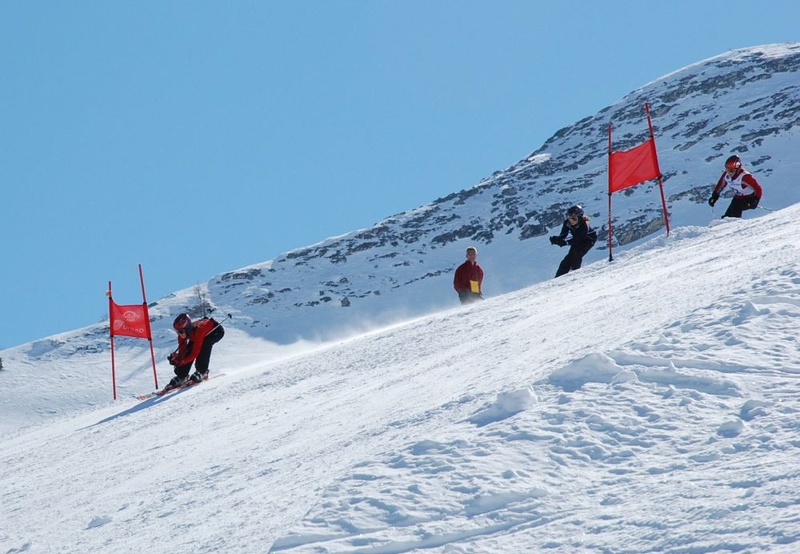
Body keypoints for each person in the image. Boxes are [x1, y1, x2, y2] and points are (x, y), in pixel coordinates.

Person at [166, 313, 225, 389]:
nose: (179, 334)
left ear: (186, 329)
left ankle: (202, 372)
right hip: (196, 335)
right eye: (177, 332)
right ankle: (182, 376)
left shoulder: (199, 331)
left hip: (215, 331)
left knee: (204, 345)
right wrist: (179, 361)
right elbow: (183, 350)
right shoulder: (184, 333)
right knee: (189, 349)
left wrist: (182, 362)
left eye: (180, 332)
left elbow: (195, 352)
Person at [549, 204, 597, 278]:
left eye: (574, 218)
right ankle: (558, 277)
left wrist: (566, 242)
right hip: (577, 239)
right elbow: (563, 234)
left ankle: (574, 273)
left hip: (588, 240)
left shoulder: (584, 224)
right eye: (569, 218)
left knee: (577, 253)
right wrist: (557, 239)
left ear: (579, 217)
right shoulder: (567, 223)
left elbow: (579, 238)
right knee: (567, 259)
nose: (571, 221)